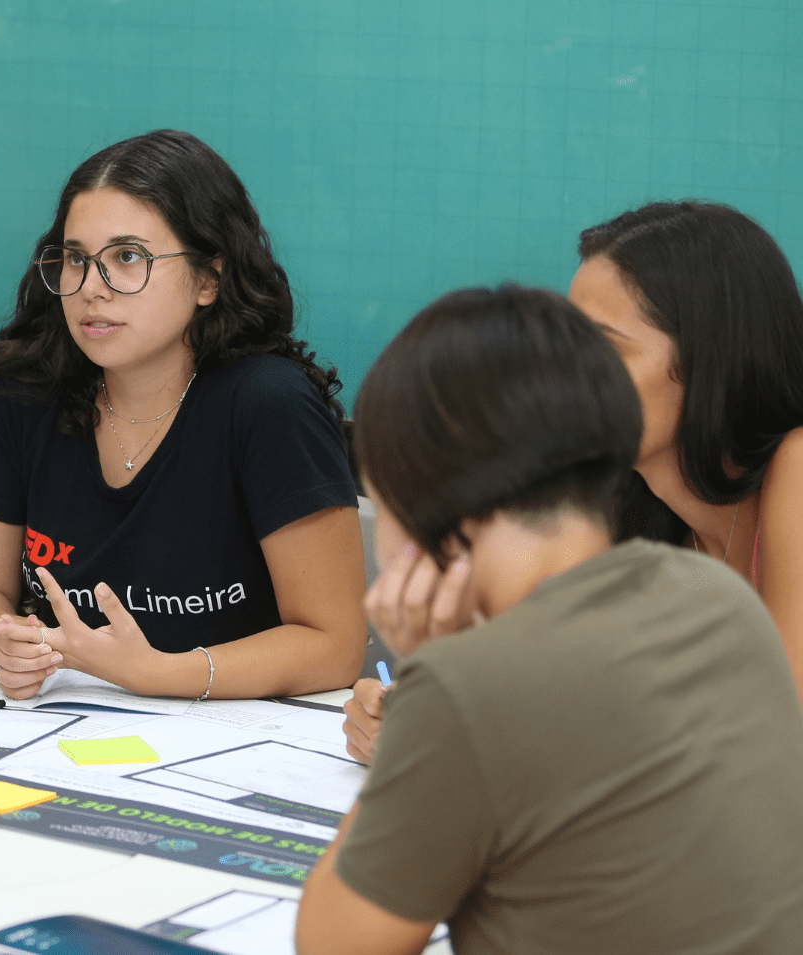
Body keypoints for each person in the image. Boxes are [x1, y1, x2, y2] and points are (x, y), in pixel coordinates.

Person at [297, 285, 803, 955]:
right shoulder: (721, 597)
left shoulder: (464, 691)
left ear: (426, 501)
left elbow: (334, 943)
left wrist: (428, 686)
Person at [342, 200, 803, 764]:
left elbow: (775, 737)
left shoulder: (797, 466)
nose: (569, 380)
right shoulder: (613, 517)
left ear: (712, 356)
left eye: (603, 350)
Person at [0, 129, 365, 702]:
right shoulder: (18, 394)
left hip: (230, 733)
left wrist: (158, 673)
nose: (93, 289)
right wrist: (3, 640)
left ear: (208, 278)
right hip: (64, 721)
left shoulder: (271, 406)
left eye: (127, 258)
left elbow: (333, 644)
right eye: (76, 260)